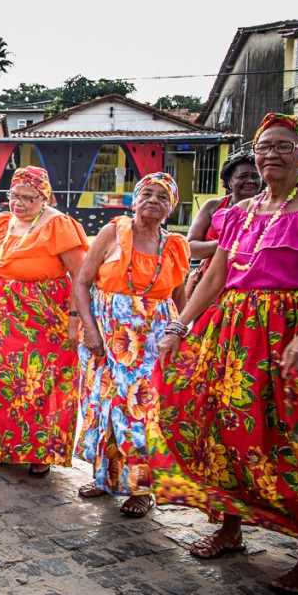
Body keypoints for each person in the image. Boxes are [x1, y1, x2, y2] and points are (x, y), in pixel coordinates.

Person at [150, 113, 298, 595]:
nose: (271, 155)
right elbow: (217, 277)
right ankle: (230, 526)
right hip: (230, 335)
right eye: (264, 146)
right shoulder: (239, 212)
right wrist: (180, 326)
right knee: (220, 427)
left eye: (284, 146)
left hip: (287, 335)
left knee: (290, 436)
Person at [72, 173, 190, 518]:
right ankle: (106, 478)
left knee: (140, 415)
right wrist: (90, 331)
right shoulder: (113, 232)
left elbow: (180, 298)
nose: (154, 200)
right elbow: (82, 282)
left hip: (152, 344)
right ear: (134, 200)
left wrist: (180, 336)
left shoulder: (176, 245)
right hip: (105, 341)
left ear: (171, 208)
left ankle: (141, 489)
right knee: (102, 409)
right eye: (147, 194)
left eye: (163, 197)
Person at [0, 166, 87, 477]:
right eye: (13, 196)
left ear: (43, 198)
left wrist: (75, 320)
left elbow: (81, 276)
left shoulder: (59, 226)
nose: (19, 203)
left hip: (43, 318)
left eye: (28, 198)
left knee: (40, 382)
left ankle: (40, 450)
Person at [185, 150, 261, 298]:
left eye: (255, 176)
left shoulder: (271, 210)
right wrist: (230, 245)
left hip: (249, 288)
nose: (250, 181)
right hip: (210, 286)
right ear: (229, 182)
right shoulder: (214, 206)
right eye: (243, 176)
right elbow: (191, 248)